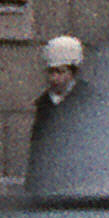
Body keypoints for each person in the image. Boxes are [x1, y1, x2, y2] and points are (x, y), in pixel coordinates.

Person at [30, 35, 86, 166]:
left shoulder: (88, 100)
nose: (54, 78)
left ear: (73, 73)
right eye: (51, 72)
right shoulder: (44, 105)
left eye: (60, 72)